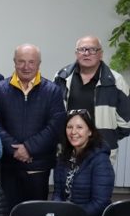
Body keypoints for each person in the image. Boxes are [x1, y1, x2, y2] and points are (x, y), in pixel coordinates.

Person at [0, 44, 66, 207]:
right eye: (21, 61)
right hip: (9, 164)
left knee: (35, 214)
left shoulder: (53, 91)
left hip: (38, 165)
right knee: (8, 212)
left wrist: (29, 148)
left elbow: (55, 125)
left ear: (39, 63)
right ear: (14, 62)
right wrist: (14, 149)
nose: (26, 66)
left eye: (31, 62)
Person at [54, 35, 130, 163]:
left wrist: (107, 137)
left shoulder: (116, 81)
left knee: (100, 183)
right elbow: (53, 114)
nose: (86, 53)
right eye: (82, 49)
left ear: (100, 54)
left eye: (93, 49)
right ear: (76, 53)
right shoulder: (61, 77)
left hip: (101, 152)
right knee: (64, 183)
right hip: (67, 149)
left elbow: (126, 121)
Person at [53, 110, 114, 216]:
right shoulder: (63, 157)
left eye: (79, 127)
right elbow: (57, 192)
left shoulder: (100, 160)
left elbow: (100, 202)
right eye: (69, 127)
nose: (73, 132)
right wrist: (58, 212)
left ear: (90, 131)